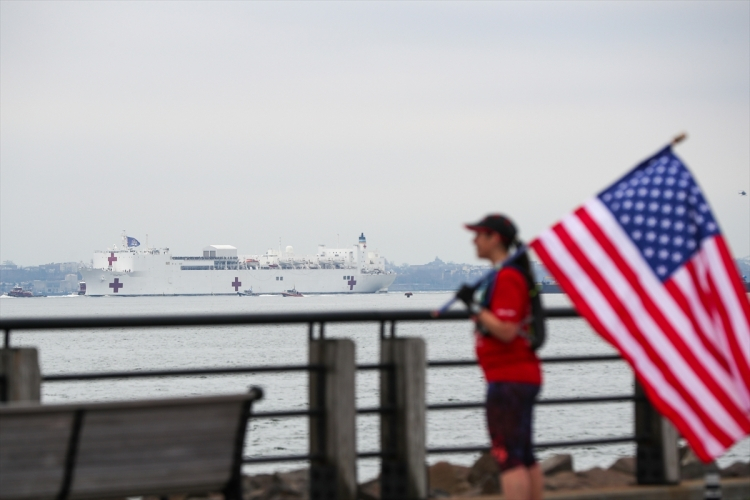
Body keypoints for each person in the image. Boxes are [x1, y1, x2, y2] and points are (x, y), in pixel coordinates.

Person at [460, 214, 543, 500]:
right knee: (524, 454)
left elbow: (506, 330)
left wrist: (475, 308)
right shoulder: (506, 274)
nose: (474, 240)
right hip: (518, 376)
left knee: (508, 457)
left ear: (494, 238)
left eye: (479, 234)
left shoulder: (507, 277)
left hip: (508, 378)